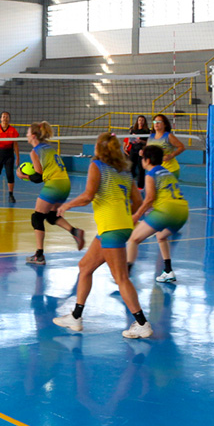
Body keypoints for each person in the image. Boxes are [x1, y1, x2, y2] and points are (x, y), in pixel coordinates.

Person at [52, 133, 152, 339]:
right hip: (120, 225)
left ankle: (142, 323)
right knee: (85, 267)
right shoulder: (124, 170)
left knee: (121, 278)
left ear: (99, 148)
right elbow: (136, 200)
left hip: (112, 227)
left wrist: (67, 205)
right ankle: (76, 317)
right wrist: (126, 218)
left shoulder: (96, 166)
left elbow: (88, 195)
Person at [19, 121, 85, 265]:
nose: (26, 135)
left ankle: (39, 255)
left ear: (34, 135)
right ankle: (74, 232)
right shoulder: (48, 148)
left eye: (28, 132)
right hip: (65, 183)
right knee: (50, 215)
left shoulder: (35, 151)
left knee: (37, 218)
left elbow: (38, 177)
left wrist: (23, 175)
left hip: (54, 184)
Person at [127, 144, 189, 283]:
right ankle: (168, 271)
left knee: (133, 239)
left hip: (166, 211)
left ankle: (124, 273)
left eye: (142, 158)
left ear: (147, 161)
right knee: (161, 236)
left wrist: (137, 215)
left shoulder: (151, 174)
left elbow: (149, 199)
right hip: (182, 211)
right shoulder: (167, 172)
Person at [147, 114, 186, 180]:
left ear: (165, 124)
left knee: (166, 189)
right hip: (156, 169)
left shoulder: (168, 136)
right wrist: (142, 152)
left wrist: (171, 155)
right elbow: (147, 150)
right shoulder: (151, 137)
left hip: (169, 169)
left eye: (159, 122)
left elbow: (181, 147)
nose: (156, 124)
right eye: (154, 122)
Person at [125, 115, 151, 189]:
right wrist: (128, 145)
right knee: (131, 167)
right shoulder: (133, 130)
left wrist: (141, 141)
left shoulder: (147, 131)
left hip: (141, 150)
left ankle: (140, 187)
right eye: (139, 120)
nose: (141, 122)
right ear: (137, 121)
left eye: (142, 120)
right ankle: (130, 184)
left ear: (144, 122)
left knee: (141, 168)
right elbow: (129, 140)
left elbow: (148, 142)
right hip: (133, 150)